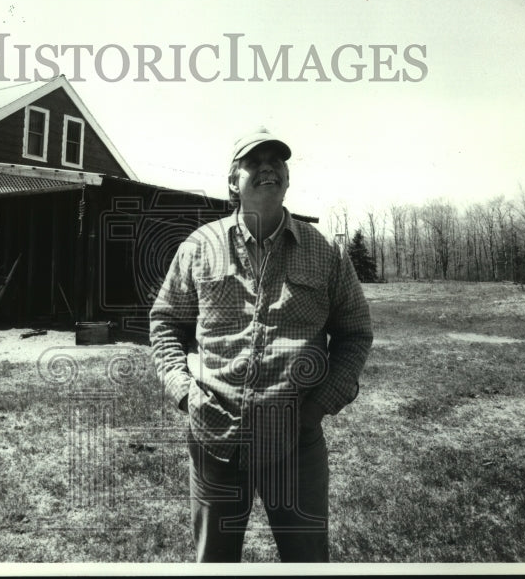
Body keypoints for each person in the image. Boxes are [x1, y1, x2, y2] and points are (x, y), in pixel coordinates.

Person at [149, 127, 373, 562]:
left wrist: (317, 407)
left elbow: (355, 333)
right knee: (214, 563)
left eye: (278, 160)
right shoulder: (199, 247)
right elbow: (165, 323)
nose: (269, 167)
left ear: (287, 178)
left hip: (295, 441)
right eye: (256, 161)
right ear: (233, 181)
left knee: (306, 561)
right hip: (214, 436)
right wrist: (184, 392)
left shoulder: (325, 252)